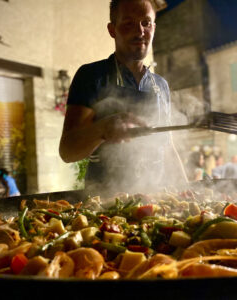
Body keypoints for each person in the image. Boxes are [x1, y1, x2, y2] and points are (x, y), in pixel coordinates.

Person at [59, 0, 188, 196]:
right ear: (112, 30)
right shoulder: (92, 76)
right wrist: (103, 129)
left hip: (158, 199)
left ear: (154, 27)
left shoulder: (161, 85)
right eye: (128, 23)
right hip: (106, 205)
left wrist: (186, 190)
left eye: (146, 22)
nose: (140, 31)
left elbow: (168, 147)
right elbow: (68, 151)